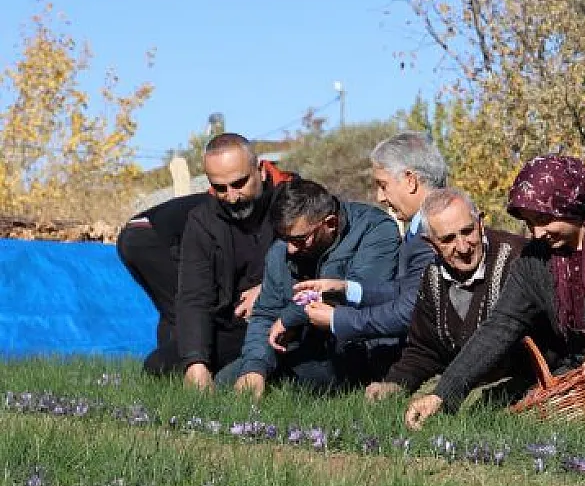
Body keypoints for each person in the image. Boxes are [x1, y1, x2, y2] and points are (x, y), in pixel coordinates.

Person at [404, 155, 585, 430]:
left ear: (569, 203)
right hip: (578, 381)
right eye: (529, 223)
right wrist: (443, 393)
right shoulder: (534, 260)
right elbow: (501, 326)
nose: (537, 233)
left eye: (543, 219)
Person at [224, 179, 402, 397]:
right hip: (307, 345)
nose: (290, 248)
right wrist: (254, 367)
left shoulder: (375, 229)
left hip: (359, 345)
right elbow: (265, 313)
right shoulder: (281, 251)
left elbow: (357, 292)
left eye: (299, 239)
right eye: (284, 238)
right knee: (228, 380)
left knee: (290, 386)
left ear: (330, 223)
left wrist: (290, 317)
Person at [364, 188, 529, 402]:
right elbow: (424, 349)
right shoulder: (432, 277)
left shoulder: (517, 259)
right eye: (448, 239)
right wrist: (395, 383)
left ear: (480, 223)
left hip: (524, 379)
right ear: (431, 244)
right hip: (467, 383)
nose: (462, 247)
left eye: (467, 231)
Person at [286, 131, 444, 353]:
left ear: (410, 181)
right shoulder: (421, 229)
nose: (380, 197)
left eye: (383, 185)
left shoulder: (435, 231)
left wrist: (337, 319)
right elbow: (407, 291)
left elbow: (410, 310)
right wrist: (344, 288)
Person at [172, 134, 295, 389]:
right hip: (234, 325)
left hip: (288, 319)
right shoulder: (202, 221)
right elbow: (194, 295)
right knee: (164, 362)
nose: (232, 196)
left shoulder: (294, 200)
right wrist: (196, 361)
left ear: (260, 171)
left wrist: (268, 289)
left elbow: (320, 265)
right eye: (220, 188)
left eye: (239, 183)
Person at [116, 192, 213, 375]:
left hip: (131, 234)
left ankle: (165, 370)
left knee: (170, 309)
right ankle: (176, 368)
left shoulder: (219, 197)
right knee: (186, 307)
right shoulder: (225, 206)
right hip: (149, 236)